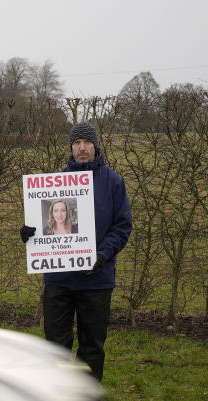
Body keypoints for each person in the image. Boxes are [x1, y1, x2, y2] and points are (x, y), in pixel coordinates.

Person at [20, 121, 132, 381]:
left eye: (87, 143)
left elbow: (122, 226)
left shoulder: (113, 182)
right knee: (55, 344)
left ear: (95, 146)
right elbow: (42, 223)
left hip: (97, 278)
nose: (82, 148)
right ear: (71, 147)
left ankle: (86, 398)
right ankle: (58, 395)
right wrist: (29, 233)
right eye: (77, 143)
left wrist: (102, 255)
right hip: (59, 279)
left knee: (92, 344)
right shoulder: (54, 183)